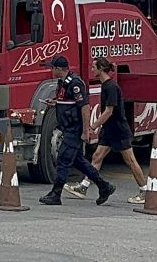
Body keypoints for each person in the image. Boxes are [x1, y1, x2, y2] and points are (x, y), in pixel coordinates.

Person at [66, 57, 148, 204]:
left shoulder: (111, 87)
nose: (92, 69)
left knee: (130, 160)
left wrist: (93, 125)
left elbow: (109, 111)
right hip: (109, 129)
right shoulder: (105, 85)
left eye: (94, 67)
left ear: (101, 69)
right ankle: (83, 186)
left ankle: (144, 191)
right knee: (97, 156)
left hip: (118, 130)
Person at [39, 55, 115, 206]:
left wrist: (86, 131)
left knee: (62, 160)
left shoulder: (75, 84)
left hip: (74, 129)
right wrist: (55, 103)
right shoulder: (62, 83)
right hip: (67, 127)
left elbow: (84, 108)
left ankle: (56, 193)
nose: (51, 70)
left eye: (53, 68)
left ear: (59, 69)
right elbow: (67, 102)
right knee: (79, 162)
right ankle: (104, 186)